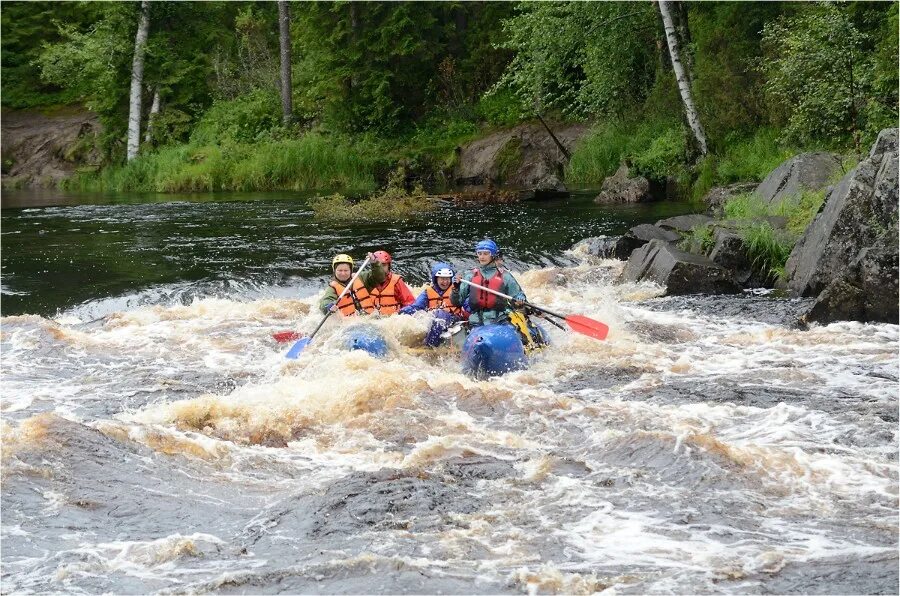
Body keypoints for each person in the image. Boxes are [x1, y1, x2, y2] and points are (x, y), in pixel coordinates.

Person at [451, 239, 526, 327]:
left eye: (486, 254)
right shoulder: (470, 276)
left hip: (500, 321)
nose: (482, 257)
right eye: (480, 253)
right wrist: (455, 289)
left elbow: (517, 295)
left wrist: (520, 299)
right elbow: (457, 302)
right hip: (476, 322)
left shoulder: (505, 276)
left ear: (493, 255)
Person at [399, 262, 470, 347]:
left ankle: (430, 346)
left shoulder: (457, 289)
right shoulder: (428, 292)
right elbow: (416, 307)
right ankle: (427, 343)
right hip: (434, 318)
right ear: (436, 279)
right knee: (430, 315)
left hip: (454, 319)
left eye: (447, 279)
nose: (445, 282)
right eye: (442, 279)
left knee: (440, 315)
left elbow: (468, 305)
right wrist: (400, 313)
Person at [318, 252, 385, 316]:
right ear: (334, 271)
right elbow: (325, 302)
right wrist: (328, 306)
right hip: (350, 323)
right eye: (340, 270)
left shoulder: (361, 277)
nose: (343, 274)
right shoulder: (332, 288)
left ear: (351, 270)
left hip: (369, 317)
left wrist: (375, 263)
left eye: (346, 270)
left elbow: (379, 277)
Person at [368, 250, 416, 315]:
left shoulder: (396, 281)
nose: (380, 268)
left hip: (393, 319)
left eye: (384, 265)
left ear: (389, 266)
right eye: (379, 265)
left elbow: (409, 303)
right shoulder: (368, 280)